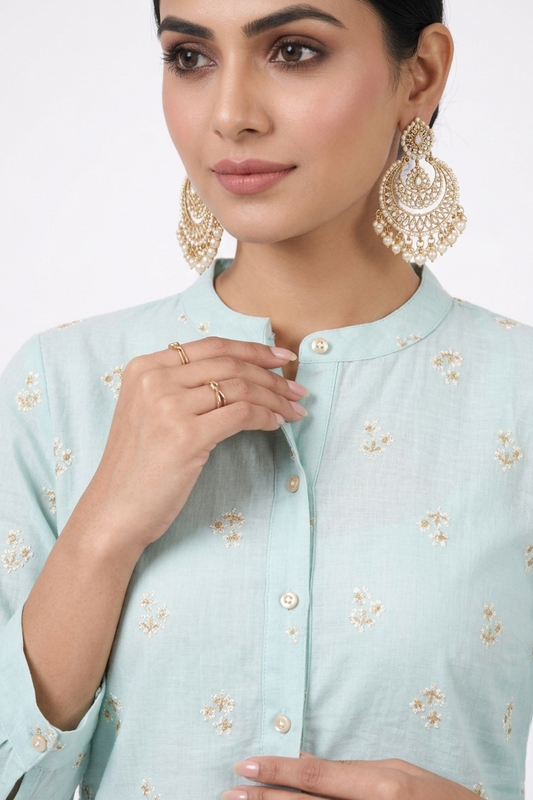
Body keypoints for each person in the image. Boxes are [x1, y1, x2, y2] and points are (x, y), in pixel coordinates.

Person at [1, 1, 531, 798]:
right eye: (190, 57)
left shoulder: (517, 394)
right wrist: (104, 528)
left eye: (293, 50)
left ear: (418, 76)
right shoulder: (60, 385)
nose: (229, 115)